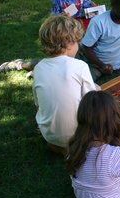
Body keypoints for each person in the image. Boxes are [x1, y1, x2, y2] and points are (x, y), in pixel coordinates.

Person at [0, 0, 97, 74]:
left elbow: (85, 3)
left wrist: (92, 5)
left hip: (77, 21)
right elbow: (54, 16)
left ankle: (33, 69)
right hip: (65, 23)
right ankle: (23, 66)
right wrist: (62, 16)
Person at [32, 16, 98, 155]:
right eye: (77, 42)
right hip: (79, 136)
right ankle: (75, 146)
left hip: (49, 135)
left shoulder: (38, 68)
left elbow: (38, 105)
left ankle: (58, 144)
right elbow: (91, 102)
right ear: (69, 43)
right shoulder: (80, 66)